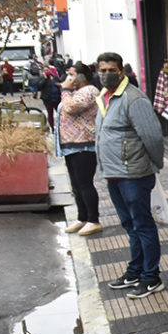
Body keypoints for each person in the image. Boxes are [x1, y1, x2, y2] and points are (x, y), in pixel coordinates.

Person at [95, 52, 166, 299]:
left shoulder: (133, 98)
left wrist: (155, 163)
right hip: (114, 174)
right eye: (101, 70)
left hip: (133, 174)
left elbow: (153, 136)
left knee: (143, 225)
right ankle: (135, 270)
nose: (105, 74)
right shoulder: (104, 98)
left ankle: (151, 277)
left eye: (110, 70)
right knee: (130, 225)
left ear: (121, 72)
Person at [57, 61, 102, 237]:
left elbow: (71, 107)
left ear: (83, 76)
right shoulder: (76, 92)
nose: (70, 78)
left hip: (84, 144)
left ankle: (93, 219)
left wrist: (66, 90)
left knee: (85, 183)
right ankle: (82, 217)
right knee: (76, 184)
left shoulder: (89, 91)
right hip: (71, 145)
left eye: (73, 74)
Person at [41, 65, 63, 130]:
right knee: (50, 114)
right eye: (44, 70)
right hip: (48, 99)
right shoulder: (42, 78)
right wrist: (45, 79)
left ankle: (60, 127)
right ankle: (52, 128)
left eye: (47, 70)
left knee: (60, 113)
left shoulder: (55, 77)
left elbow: (60, 84)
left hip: (57, 98)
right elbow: (40, 86)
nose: (46, 71)